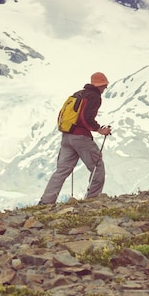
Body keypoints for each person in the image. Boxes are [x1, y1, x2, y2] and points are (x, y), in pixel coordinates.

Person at [39, 72, 113, 205]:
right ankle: (92, 200)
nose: (105, 89)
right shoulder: (94, 96)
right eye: (104, 86)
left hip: (67, 136)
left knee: (61, 171)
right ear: (100, 85)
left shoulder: (78, 94)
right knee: (97, 167)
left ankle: (46, 201)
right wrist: (99, 129)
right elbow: (86, 118)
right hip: (80, 137)